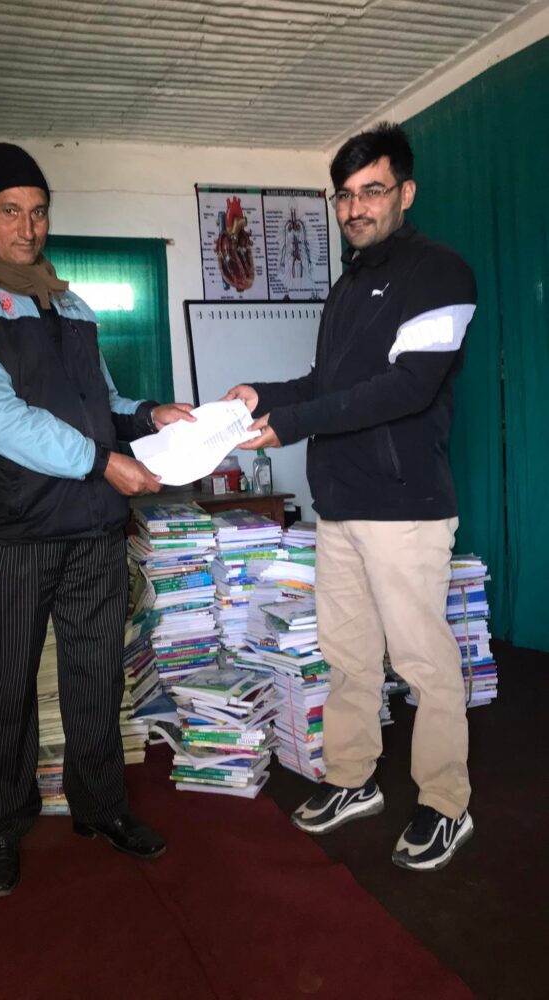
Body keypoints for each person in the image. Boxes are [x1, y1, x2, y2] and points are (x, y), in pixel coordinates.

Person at [0, 142, 194, 898]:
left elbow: (100, 402)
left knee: (95, 675)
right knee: (5, 686)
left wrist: (148, 415)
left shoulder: (69, 304)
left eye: (38, 211)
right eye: (10, 211)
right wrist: (103, 461)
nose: (27, 227)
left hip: (94, 529)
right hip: (17, 531)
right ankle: (0, 827)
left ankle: (100, 808)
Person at [225, 122, 477, 872]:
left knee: (424, 662)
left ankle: (446, 802)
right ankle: (352, 779)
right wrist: (263, 396)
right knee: (349, 657)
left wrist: (293, 423)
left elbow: (407, 388)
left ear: (406, 192)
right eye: (344, 195)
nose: (356, 207)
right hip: (339, 505)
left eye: (372, 191)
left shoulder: (439, 272)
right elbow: (326, 385)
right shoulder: (347, 285)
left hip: (404, 507)